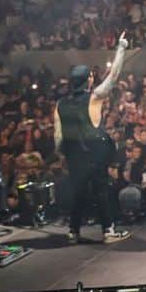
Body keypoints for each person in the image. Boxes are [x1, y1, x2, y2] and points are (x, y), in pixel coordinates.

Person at [54, 32, 131, 244]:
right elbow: (113, 76)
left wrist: (63, 155)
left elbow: (58, 134)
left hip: (73, 154)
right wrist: (121, 47)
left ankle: (73, 231)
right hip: (94, 152)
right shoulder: (94, 98)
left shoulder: (60, 103)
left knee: (77, 191)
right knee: (101, 190)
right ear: (88, 79)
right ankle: (108, 231)